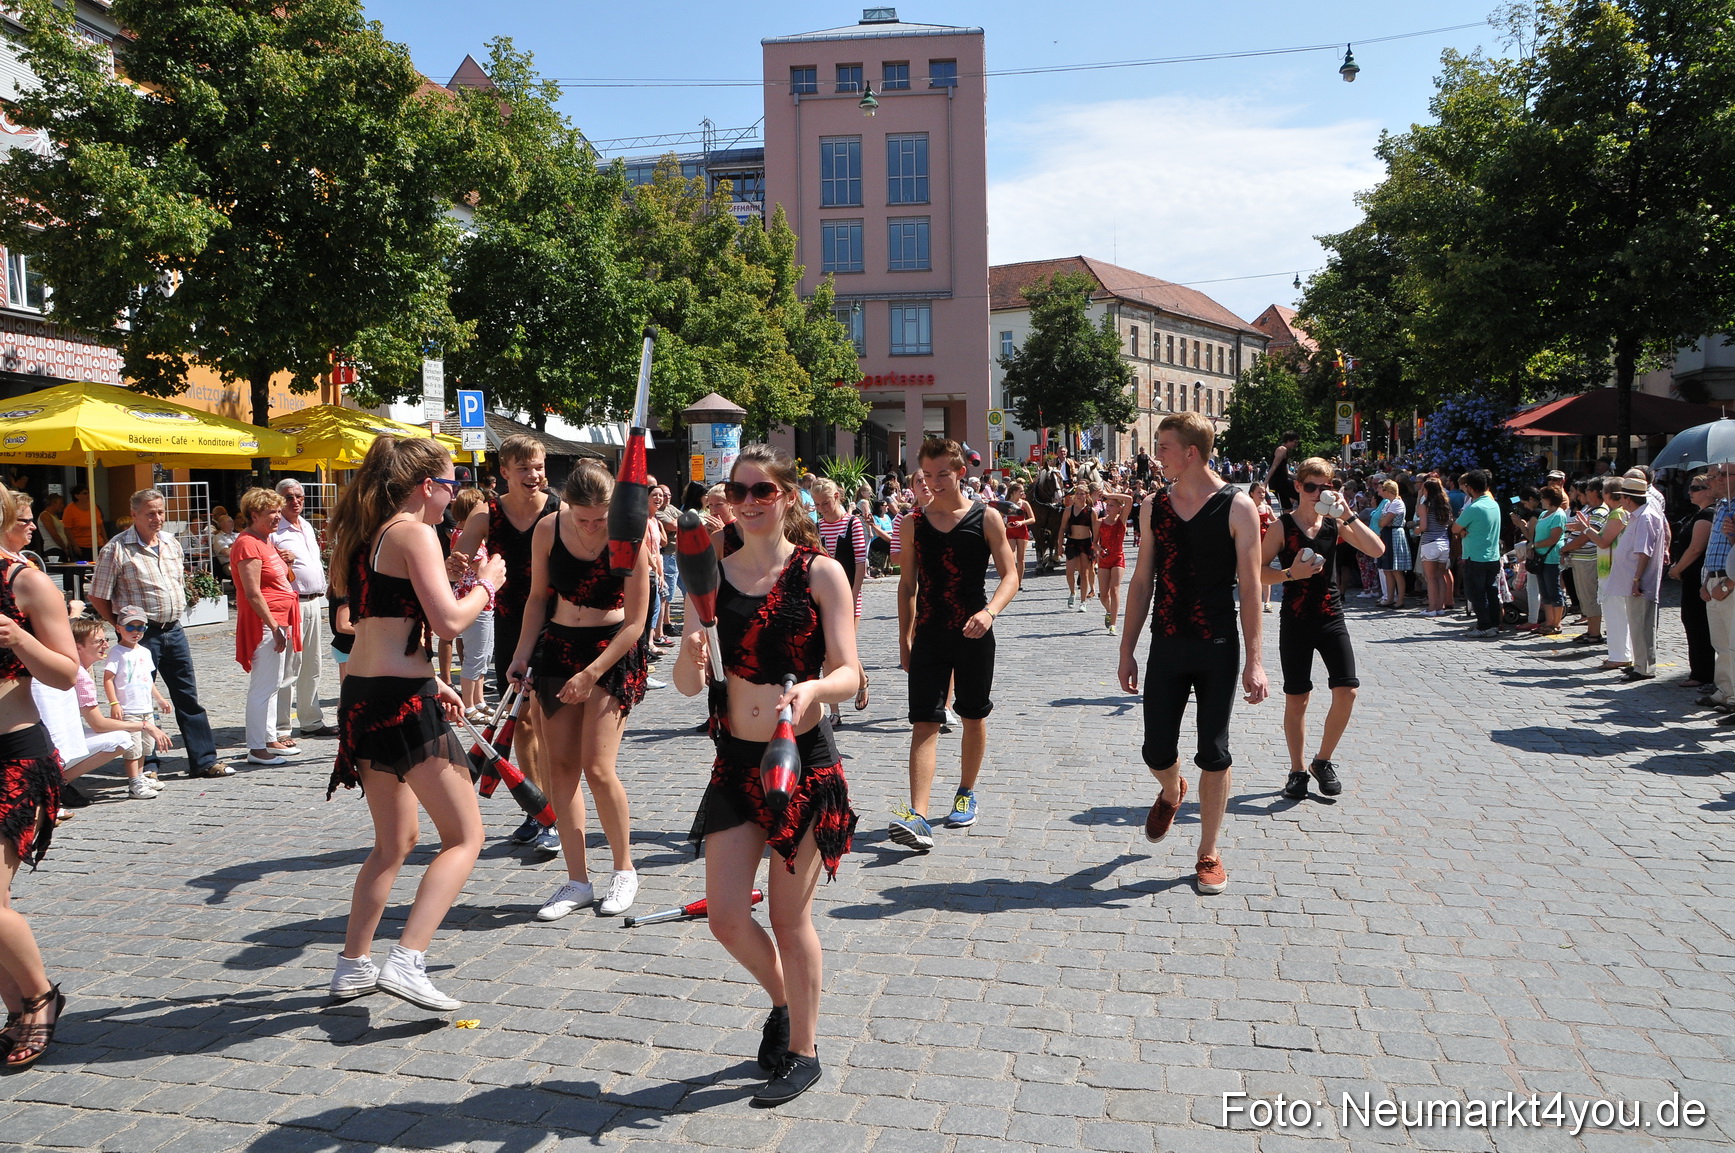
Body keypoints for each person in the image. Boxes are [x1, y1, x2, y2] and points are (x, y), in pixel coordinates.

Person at [672, 443, 860, 1107]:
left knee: (788, 915)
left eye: (763, 490)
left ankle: (804, 1050)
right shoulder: (711, 576)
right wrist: (691, 654)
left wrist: (814, 691)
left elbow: (850, 672)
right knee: (725, 916)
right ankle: (783, 1002)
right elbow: (688, 683)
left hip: (801, 761)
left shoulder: (821, 574)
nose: (750, 501)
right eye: (739, 491)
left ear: (785, 496)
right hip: (734, 763)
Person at [325, 435, 506, 1012]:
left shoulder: (367, 533)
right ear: (426, 486)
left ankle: (353, 964)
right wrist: (487, 584)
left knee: (394, 842)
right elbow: (449, 623)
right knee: (465, 836)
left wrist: (433, 682)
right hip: (397, 698)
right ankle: (408, 959)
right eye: (450, 485)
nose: (452, 497)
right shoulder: (412, 530)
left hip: (368, 691)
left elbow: (387, 624)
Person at [1118, 413, 1268, 895]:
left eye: (1163, 446)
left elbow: (1250, 586)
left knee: (1214, 750)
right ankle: (1170, 788)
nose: (1155, 453)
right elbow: (1142, 581)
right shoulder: (1153, 505)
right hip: (1167, 640)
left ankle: (1208, 850)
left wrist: (1256, 660)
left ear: (1191, 453)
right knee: (1155, 748)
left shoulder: (1237, 506)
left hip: (1217, 644)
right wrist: (1127, 649)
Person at [509, 460, 651, 922]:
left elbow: (635, 624)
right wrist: (521, 654)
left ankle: (624, 869)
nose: (592, 527)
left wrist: (591, 673)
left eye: (600, 518)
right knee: (561, 767)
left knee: (597, 764)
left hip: (612, 650)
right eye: (582, 517)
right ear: (566, 504)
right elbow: (535, 599)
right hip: (558, 646)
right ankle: (577, 880)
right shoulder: (549, 529)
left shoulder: (630, 535)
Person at [890, 438, 1019, 850]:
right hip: (929, 634)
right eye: (927, 475)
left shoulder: (986, 518)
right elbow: (907, 585)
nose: (934, 482)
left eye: (942, 474)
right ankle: (919, 815)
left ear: (960, 472)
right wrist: (904, 640)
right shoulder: (913, 524)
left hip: (974, 633)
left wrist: (990, 612)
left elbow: (1011, 575)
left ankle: (966, 790)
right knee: (924, 722)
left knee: (972, 716)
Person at [0, 486, 80, 1072]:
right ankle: (16, 1008)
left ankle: (37, 996)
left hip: (15, 757)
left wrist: (20, 638)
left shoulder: (23, 582)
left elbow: (66, 672)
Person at [453, 435, 559, 853]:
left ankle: (556, 811)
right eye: (524, 468)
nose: (534, 475)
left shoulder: (558, 510)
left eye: (538, 466)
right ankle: (538, 811)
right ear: (504, 472)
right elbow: (456, 566)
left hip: (557, 622)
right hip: (511, 621)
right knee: (524, 719)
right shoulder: (487, 514)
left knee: (551, 722)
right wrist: (455, 564)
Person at [1262, 458, 1385, 800]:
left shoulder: (1335, 524)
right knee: (1298, 697)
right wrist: (1289, 575)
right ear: (1299, 487)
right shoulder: (1281, 526)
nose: (1319, 493)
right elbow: (1255, 572)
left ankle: (1323, 760)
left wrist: (1347, 515)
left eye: (1326, 487)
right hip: (1297, 618)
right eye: (1312, 487)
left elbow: (1377, 549)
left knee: (1347, 691)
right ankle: (1297, 770)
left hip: (1332, 616)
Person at [89, 489, 224, 778]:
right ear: (134, 513)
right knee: (139, 701)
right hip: (140, 634)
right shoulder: (116, 549)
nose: (157, 518)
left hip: (174, 630)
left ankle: (204, 760)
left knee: (187, 696)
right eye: (150, 512)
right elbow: (98, 596)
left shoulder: (170, 543)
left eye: (161, 512)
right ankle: (148, 766)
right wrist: (119, 627)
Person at [230, 487, 303, 765]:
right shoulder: (248, 543)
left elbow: (279, 579)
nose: (277, 516)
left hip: (279, 619)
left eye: (277, 510)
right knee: (263, 685)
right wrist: (273, 626)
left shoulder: (266, 541)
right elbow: (252, 592)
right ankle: (257, 747)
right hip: (265, 622)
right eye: (271, 512)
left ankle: (269, 737)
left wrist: (288, 562)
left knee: (273, 683)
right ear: (253, 514)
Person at [271, 479, 334, 739]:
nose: (295, 501)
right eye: (288, 497)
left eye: (299, 497)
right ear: (278, 501)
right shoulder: (275, 530)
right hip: (291, 603)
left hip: (314, 601)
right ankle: (282, 727)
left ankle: (311, 720)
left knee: (312, 663)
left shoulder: (306, 525)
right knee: (289, 667)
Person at [812, 479, 871, 721]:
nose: (822, 508)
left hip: (849, 595)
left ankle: (861, 679)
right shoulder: (819, 526)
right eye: (817, 504)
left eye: (825, 502)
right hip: (825, 596)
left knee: (844, 647)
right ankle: (834, 711)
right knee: (826, 652)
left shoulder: (853, 524)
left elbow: (860, 562)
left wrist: (853, 595)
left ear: (837, 497)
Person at [102, 606, 177, 797]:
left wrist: (159, 698)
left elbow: (147, 679)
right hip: (128, 709)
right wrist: (114, 703)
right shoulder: (117, 653)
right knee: (132, 749)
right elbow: (108, 679)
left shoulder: (145, 652)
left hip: (146, 708)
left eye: (141, 628)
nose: (136, 632)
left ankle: (141, 775)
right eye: (130, 628)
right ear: (118, 628)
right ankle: (134, 782)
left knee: (145, 746)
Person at [1605, 476, 1666, 680]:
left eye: (1622, 497)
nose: (1620, 501)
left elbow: (1644, 552)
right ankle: (1640, 663)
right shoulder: (1637, 516)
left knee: (1642, 624)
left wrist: (1636, 580)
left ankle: (1645, 667)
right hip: (1632, 580)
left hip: (1640, 582)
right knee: (1636, 623)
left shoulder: (1646, 517)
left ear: (1628, 499)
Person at [448, 489, 493, 721]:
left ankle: (479, 699)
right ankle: (468, 705)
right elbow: (479, 567)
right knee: (475, 654)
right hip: (473, 597)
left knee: (484, 654)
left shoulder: (471, 534)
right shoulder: (463, 535)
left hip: (483, 599)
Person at [1668, 473, 1717, 688]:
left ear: (1708, 490)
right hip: (1691, 578)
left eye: (1696, 488)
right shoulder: (1697, 514)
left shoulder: (1707, 515)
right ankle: (1699, 670)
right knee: (1692, 622)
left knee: (1698, 625)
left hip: (1697, 577)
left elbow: (1696, 549)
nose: (1690, 492)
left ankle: (1702, 672)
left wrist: (1678, 569)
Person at [1698, 464, 1735, 716]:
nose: (1717, 479)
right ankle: (1725, 691)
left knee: (1733, 644)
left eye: (1723, 474)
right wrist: (1706, 581)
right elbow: (1712, 548)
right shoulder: (1722, 505)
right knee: (1720, 643)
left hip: (1729, 582)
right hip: (1714, 580)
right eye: (1715, 474)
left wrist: (1728, 584)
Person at [1451, 471, 1504, 636]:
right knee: (1491, 591)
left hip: (1476, 556)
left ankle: (1484, 626)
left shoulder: (1474, 507)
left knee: (1475, 593)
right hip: (1492, 556)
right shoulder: (1493, 504)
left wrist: (1462, 530)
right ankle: (1493, 624)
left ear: (1470, 488)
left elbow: (1455, 528)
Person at [1563, 479, 1610, 646]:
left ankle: (1595, 633)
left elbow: (1586, 536)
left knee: (1590, 596)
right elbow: (1580, 528)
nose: (1583, 492)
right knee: (1584, 597)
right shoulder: (1589, 508)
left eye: (1588, 489)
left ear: (1596, 492)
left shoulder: (1601, 511)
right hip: (1579, 559)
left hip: (1588, 559)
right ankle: (1591, 629)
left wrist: (1564, 549)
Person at [1531, 487, 1570, 637]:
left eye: (1542, 498)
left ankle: (1557, 622)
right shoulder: (1542, 514)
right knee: (1545, 591)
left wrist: (1534, 545)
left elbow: (1554, 538)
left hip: (1551, 557)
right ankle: (1549, 621)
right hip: (1540, 557)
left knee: (1554, 591)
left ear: (1548, 499)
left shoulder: (1558, 515)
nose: (1541, 500)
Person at [1415, 478, 1455, 617]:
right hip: (1444, 542)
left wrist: (1417, 530)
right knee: (1440, 576)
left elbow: (1424, 526)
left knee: (1430, 578)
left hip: (1430, 542)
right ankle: (1440, 607)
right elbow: (1450, 522)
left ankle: (1431, 608)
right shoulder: (1445, 504)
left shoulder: (1425, 505)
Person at [1096, 487, 1133, 634]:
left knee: (1114, 589)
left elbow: (1129, 499)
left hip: (1118, 558)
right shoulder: (1100, 522)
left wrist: (1108, 494)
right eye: (1107, 505)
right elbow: (1094, 543)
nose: (1108, 507)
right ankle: (1109, 611)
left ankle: (1113, 624)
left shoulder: (1121, 520)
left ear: (1119, 508)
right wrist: (1099, 550)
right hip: (1104, 559)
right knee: (1103, 594)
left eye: (1112, 505)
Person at [1373, 479, 1410, 609]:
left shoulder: (1397, 503)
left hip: (1394, 534)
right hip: (1388, 534)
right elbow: (1382, 522)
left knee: (1396, 570)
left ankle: (1400, 599)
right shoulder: (1389, 504)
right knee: (1388, 569)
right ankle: (1389, 598)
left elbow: (1383, 522)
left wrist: (1384, 521)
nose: (1380, 491)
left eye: (1383, 489)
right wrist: (1384, 521)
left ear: (1388, 491)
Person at [1062, 485, 1098, 612]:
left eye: (1082, 494)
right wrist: (1059, 544)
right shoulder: (1068, 510)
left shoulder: (1091, 511)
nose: (1079, 496)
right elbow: (1062, 528)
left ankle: (1083, 601)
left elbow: (1095, 530)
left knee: (1084, 572)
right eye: (1077, 493)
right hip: (1072, 541)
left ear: (1087, 495)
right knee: (1069, 572)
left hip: (1085, 542)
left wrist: (1095, 546)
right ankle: (1072, 592)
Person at [61, 484, 103, 561]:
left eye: (88, 493)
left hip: (98, 543)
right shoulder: (70, 509)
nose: (88, 495)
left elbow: (100, 524)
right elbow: (67, 529)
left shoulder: (94, 506)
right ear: (76, 496)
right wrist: (75, 546)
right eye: (84, 493)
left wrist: (106, 540)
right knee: (81, 569)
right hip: (81, 545)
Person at [1002, 482, 1033, 578]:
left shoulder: (1024, 503)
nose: (1023, 493)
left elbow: (1032, 519)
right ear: (1014, 492)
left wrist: (1022, 522)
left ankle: (1019, 581)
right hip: (1011, 531)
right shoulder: (1007, 504)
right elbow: (999, 517)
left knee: (1021, 559)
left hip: (1022, 530)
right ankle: (1012, 578)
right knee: (1011, 556)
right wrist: (1006, 525)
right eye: (1021, 491)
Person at [1267, 432, 1300, 512]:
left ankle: (1286, 523)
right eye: (1295, 442)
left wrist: (1299, 477)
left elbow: (1286, 472)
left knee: (1287, 507)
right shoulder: (1282, 449)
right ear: (1288, 440)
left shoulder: (1284, 451)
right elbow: (1273, 467)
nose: (1296, 445)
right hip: (1280, 483)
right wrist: (1265, 482)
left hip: (1280, 483)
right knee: (1303, 495)